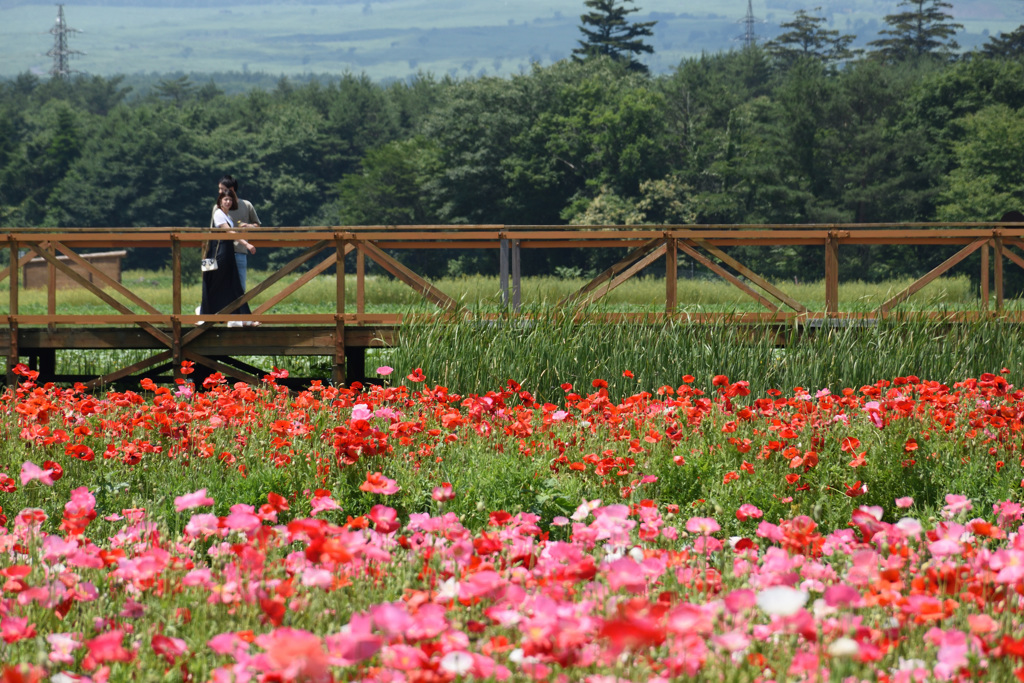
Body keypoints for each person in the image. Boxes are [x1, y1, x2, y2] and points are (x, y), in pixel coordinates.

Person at [201, 189, 257, 327]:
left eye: (230, 200)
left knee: (233, 285)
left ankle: (241, 319)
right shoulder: (218, 213)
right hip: (219, 253)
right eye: (225, 199)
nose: (228, 202)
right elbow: (229, 232)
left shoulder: (228, 216)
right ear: (220, 201)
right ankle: (205, 315)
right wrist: (246, 244)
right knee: (214, 284)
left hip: (226, 252)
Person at [211, 174, 260, 290]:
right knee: (221, 287)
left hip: (240, 252)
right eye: (219, 189)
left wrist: (248, 226)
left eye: (222, 189)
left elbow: (257, 226)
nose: (219, 192)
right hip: (221, 252)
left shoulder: (246, 205)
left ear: (232, 189)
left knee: (240, 288)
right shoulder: (217, 208)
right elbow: (213, 232)